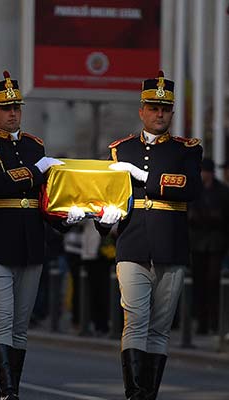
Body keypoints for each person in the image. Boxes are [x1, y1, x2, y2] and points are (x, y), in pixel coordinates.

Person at [99, 71, 202, 400]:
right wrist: (102, 218)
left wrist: (144, 176)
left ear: (171, 113)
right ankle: (134, 393)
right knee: (136, 319)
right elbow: (107, 197)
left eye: (165, 109)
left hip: (171, 245)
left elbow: (191, 187)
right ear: (141, 110)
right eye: (153, 107)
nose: (159, 114)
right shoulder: (121, 149)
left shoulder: (187, 150)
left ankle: (148, 394)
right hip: (133, 244)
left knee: (159, 328)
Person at [0, 71, 63, 399]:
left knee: (21, 325)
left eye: (17, 107)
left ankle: (13, 387)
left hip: (30, 240)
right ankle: (7, 391)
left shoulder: (35, 145)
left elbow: (45, 195)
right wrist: (37, 171)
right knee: (2, 319)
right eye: (5, 108)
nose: (13, 113)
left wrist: (66, 216)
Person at [188, 158, 229, 334]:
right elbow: (189, 215)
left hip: (214, 242)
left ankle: (214, 321)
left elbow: (224, 218)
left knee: (213, 282)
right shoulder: (195, 191)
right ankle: (202, 322)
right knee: (199, 283)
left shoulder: (222, 192)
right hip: (198, 242)